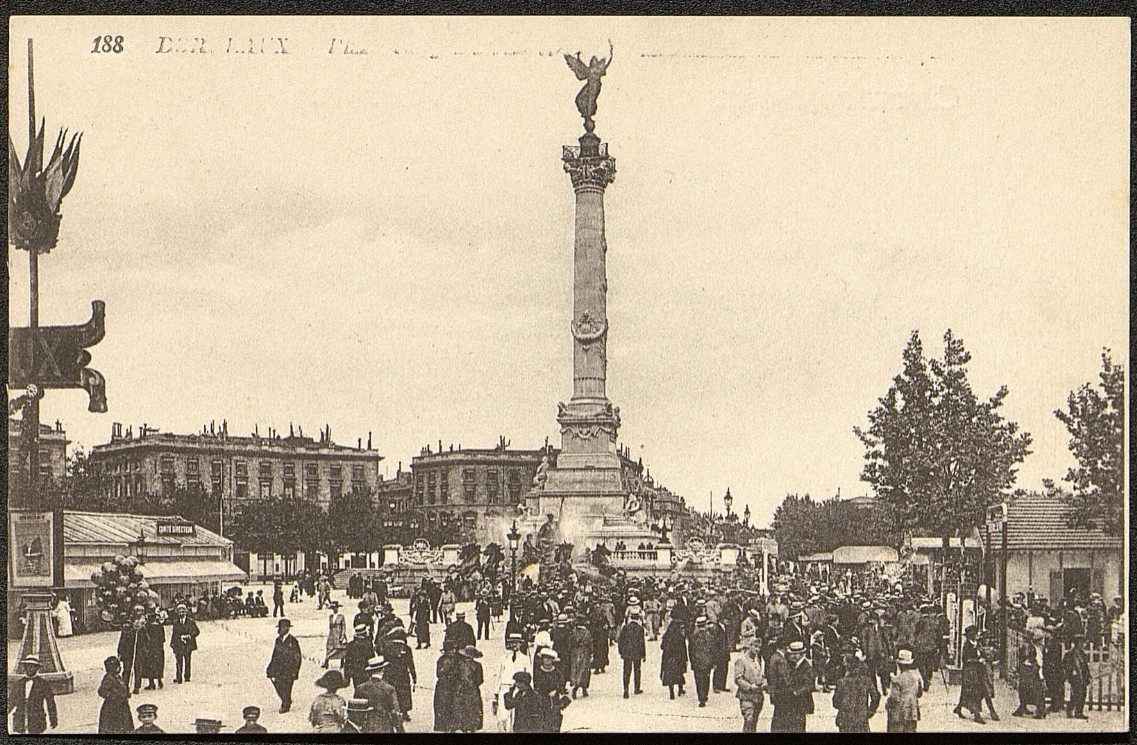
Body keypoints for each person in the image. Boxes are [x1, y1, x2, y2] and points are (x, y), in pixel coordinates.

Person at [832, 650, 880, 733]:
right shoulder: (866, 681)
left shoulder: (842, 682)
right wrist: (870, 711)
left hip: (845, 719)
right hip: (861, 719)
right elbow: (876, 696)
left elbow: (836, 702)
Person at [771, 639, 813, 732]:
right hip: (787, 703)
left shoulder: (807, 667)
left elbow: (809, 685)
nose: (792, 656)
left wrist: (796, 693)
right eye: (791, 653)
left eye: (795, 654)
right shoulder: (789, 664)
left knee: (797, 727)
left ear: (802, 654)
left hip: (799, 704)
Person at [355, 656, 405, 733]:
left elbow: (355, 710)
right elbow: (395, 712)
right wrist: (400, 730)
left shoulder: (360, 688)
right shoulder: (389, 689)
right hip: (385, 726)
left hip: (366, 727)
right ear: (383, 670)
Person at [9, 655, 58, 734]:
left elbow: (50, 703)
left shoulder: (43, 684)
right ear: (25, 667)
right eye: (28, 666)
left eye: (32, 666)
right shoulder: (18, 683)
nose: (30, 669)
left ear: (37, 668)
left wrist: (53, 719)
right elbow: (11, 700)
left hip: (37, 720)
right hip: (20, 720)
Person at [493, 633, 532, 731]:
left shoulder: (525, 659)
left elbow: (529, 676)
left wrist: (528, 691)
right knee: (502, 717)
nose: (514, 645)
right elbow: (499, 675)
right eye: (512, 643)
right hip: (504, 688)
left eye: (517, 643)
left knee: (515, 717)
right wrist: (496, 693)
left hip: (518, 690)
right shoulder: (504, 658)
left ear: (520, 644)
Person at [378, 627, 417, 721]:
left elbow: (383, 659)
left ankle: (392, 711)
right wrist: (414, 676)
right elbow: (410, 663)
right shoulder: (407, 648)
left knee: (392, 692)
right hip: (403, 675)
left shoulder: (387, 647)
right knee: (404, 693)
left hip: (390, 674)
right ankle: (404, 712)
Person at [266, 618, 302, 713]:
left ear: (286, 628)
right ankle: (286, 700)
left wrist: (295, 671)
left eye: (280, 628)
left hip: (289, 670)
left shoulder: (293, 641)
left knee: (287, 687)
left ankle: (285, 704)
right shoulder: (278, 640)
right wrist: (270, 667)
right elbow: (274, 655)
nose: (278, 630)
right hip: (278, 669)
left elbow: (297, 657)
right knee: (278, 686)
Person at [954, 625, 987, 724]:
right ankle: (976, 714)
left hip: (977, 671)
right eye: (973, 634)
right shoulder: (967, 645)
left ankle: (959, 708)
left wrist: (983, 658)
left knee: (967, 691)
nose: (976, 635)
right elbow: (965, 659)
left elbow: (981, 653)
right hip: (969, 671)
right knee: (973, 691)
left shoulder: (977, 643)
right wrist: (977, 660)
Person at [885, 648, 923, 732]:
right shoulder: (917, 678)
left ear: (899, 665)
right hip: (912, 712)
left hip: (899, 714)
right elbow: (920, 694)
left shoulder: (897, 680)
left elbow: (895, 698)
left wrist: (888, 703)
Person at [733, 639, 766, 732]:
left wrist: (763, 682)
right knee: (749, 720)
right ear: (749, 646)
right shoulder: (741, 660)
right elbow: (738, 678)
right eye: (755, 646)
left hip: (758, 696)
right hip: (746, 696)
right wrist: (750, 687)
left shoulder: (757, 659)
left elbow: (760, 674)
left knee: (754, 721)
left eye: (759, 647)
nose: (757, 649)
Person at [532, 648, 568, 733]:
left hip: (553, 700)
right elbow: (536, 684)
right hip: (541, 699)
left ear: (552, 660)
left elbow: (561, 684)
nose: (547, 660)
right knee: (542, 721)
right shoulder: (538, 671)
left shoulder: (556, 672)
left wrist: (556, 690)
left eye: (549, 658)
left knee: (554, 721)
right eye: (545, 658)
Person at [97, 656, 134, 734]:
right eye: (118, 666)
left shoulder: (118, 677)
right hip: (112, 708)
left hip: (122, 706)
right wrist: (113, 697)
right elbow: (102, 691)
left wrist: (126, 693)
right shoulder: (109, 679)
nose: (120, 668)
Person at [434, 639, 465, 732]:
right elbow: (439, 673)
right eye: (451, 650)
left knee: (451, 708)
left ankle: (451, 727)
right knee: (445, 708)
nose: (453, 651)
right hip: (446, 687)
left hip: (449, 687)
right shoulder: (446, 660)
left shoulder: (454, 659)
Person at [617, 608, 646, 698]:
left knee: (626, 671)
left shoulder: (625, 628)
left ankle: (626, 689)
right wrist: (643, 654)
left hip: (627, 652)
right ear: (637, 617)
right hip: (637, 652)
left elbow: (620, 640)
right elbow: (642, 642)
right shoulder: (640, 629)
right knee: (637, 670)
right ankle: (636, 688)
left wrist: (621, 651)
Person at [456, 645, 485, 732]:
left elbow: (455, 677)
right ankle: (473, 728)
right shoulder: (478, 665)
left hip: (461, 690)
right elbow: (480, 680)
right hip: (474, 691)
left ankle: (464, 727)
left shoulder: (459, 664)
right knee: (473, 709)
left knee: (462, 708)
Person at [688, 616, 714, 707]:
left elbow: (690, 651)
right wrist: (713, 662)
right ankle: (705, 694)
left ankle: (701, 697)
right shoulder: (710, 636)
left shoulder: (692, 637)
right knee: (706, 678)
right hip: (707, 662)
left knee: (698, 680)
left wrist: (692, 662)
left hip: (697, 662)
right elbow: (712, 650)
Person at [170, 603, 200, 684]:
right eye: (180, 612)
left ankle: (187, 676)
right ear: (177, 612)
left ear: (186, 612)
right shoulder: (176, 622)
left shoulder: (191, 621)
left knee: (187, 660)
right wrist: (173, 643)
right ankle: (178, 677)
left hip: (188, 645)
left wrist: (190, 636)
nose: (182, 613)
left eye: (183, 612)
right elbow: (174, 634)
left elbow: (197, 631)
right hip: (179, 645)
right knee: (178, 661)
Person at [660, 617, 688, 699]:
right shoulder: (680, 637)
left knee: (670, 675)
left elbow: (662, 646)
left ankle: (671, 692)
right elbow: (683, 649)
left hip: (668, 658)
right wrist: (685, 659)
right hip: (679, 658)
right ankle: (680, 689)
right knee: (679, 673)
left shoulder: (667, 636)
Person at [1063, 634, 1090, 719]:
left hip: (1083, 676)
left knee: (1083, 694)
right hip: (1075, 676)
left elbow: (1085, 666)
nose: (1083, 644)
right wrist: (1070, 672)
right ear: (1077, 643)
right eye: (1082, 642)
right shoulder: (1070, 653)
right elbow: (1065, 664)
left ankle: (1079, 712)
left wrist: (1088, 675)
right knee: (1076, 694)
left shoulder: (1083, 654)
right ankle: (1070, 709)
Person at [343, 624, 375, 691]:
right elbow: (372, 658)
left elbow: (347, 661)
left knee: (357, 689)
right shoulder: (368, 644)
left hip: (355, 673)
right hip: (366, 672)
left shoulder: (351, 644)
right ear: (364, 633)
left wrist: (347, 675)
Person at [139, 615, 166, 690]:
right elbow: (163, 639)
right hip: (159, 649)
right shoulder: (160, 627)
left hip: (150, 649)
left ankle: (151, 683)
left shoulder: (147, 627)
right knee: (159, 665)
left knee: (150, 666)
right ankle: (159, 681)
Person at [569, 616, 593, 698]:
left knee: (576, 670)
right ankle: (584, 688)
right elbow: (590, 643)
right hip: (584, 652)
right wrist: (592, 652)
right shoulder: (587, 632)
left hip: (575, 652)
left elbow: (570, 642)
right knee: (584, 670)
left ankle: (575, 686)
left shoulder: (573, 632)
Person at [323, 601, 347, 669]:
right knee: (329, 648)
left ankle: (342, 663)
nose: (334, 609)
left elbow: (344, 626)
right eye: (333, 608)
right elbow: (330, 626)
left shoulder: (341, 616)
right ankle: (326, 662)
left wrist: (342, 636)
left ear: (337, 608)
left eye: (335, 608)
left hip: (339, 634)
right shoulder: (331, 616)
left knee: (341, 649)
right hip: (332, 635)